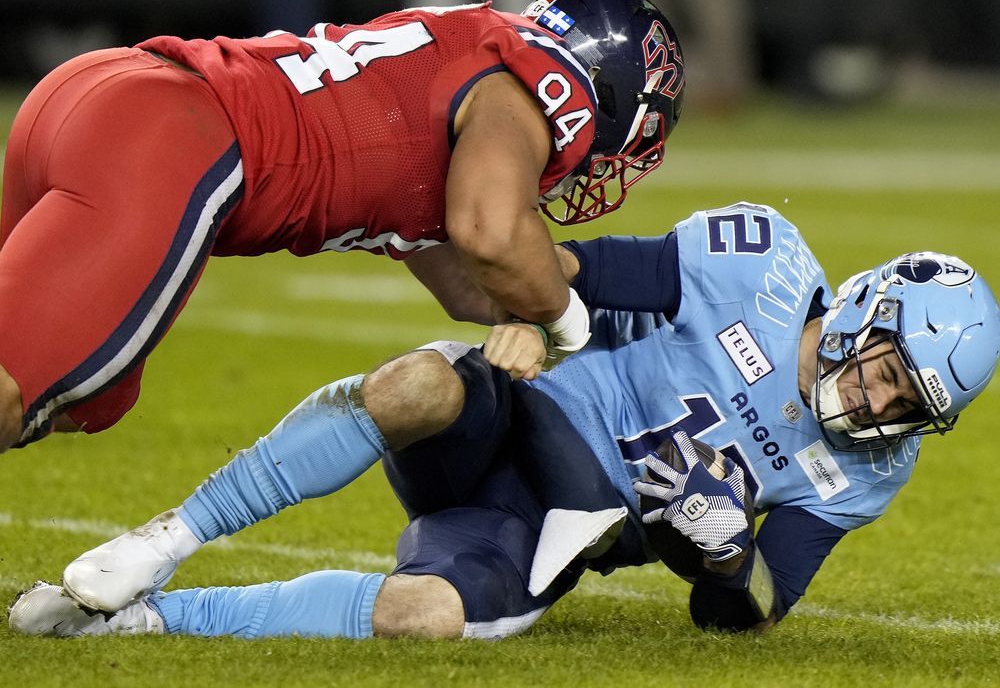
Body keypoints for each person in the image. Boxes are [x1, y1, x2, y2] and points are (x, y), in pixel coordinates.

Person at [11, 202, 999, 639]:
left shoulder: (870, 471)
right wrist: (535, 315)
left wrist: (727, 557)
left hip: (561, 522)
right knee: (411, 386)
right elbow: (581, 268)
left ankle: (142, 623)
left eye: (907, 407)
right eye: (884, 374)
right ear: (866, 308)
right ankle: (164, 540)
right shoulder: (760, 262)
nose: (877, 407)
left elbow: (751, 611)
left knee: (423, 618)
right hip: (521, 408)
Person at [0, 0, 685, 452]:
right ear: (612, 91)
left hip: (97, 98)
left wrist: (563, 299)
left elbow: (468, 278)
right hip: (171, 146)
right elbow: (492, 233)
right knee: (15, 390)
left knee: (92, 396)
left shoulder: (479, 52)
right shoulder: (537, 85)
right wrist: (566, 324)